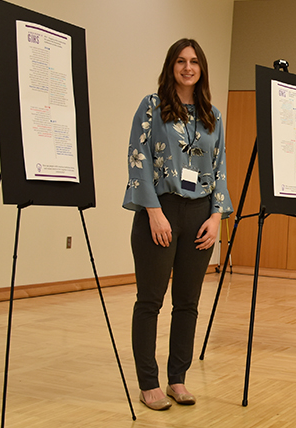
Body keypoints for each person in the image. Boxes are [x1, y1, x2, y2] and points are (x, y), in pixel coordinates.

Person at [123, 38, 233, 410]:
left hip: (201, 214)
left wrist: (217, 217)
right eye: (181, 61)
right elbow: (138, 159)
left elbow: (219, 168)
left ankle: (177, 379)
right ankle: (148, 382)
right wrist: (154, 212)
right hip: (160, 208)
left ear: (202, 69)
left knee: (187, 303)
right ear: (171, 66)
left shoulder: (212, 115)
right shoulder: (152, 107)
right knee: (150, 300)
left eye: (195, 62)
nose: (188, 67)